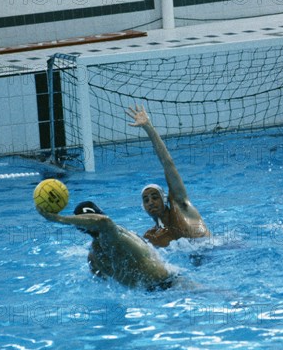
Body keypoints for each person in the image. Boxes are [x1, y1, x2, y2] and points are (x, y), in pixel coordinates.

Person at [36, 201, 175, 290]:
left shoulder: (117, 234)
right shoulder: (93, 257)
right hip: (149, 295)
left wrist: (58, 218)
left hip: (172, 284)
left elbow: (104, 222)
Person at [127, 105, 210, 247]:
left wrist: (148, 127)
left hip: (217, 251)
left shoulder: (181, 206)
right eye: (146, 200)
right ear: (143, 206)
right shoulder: (152, 236)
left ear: (164, 199)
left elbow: (168, 163)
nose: (151, 202)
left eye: (154, 197)